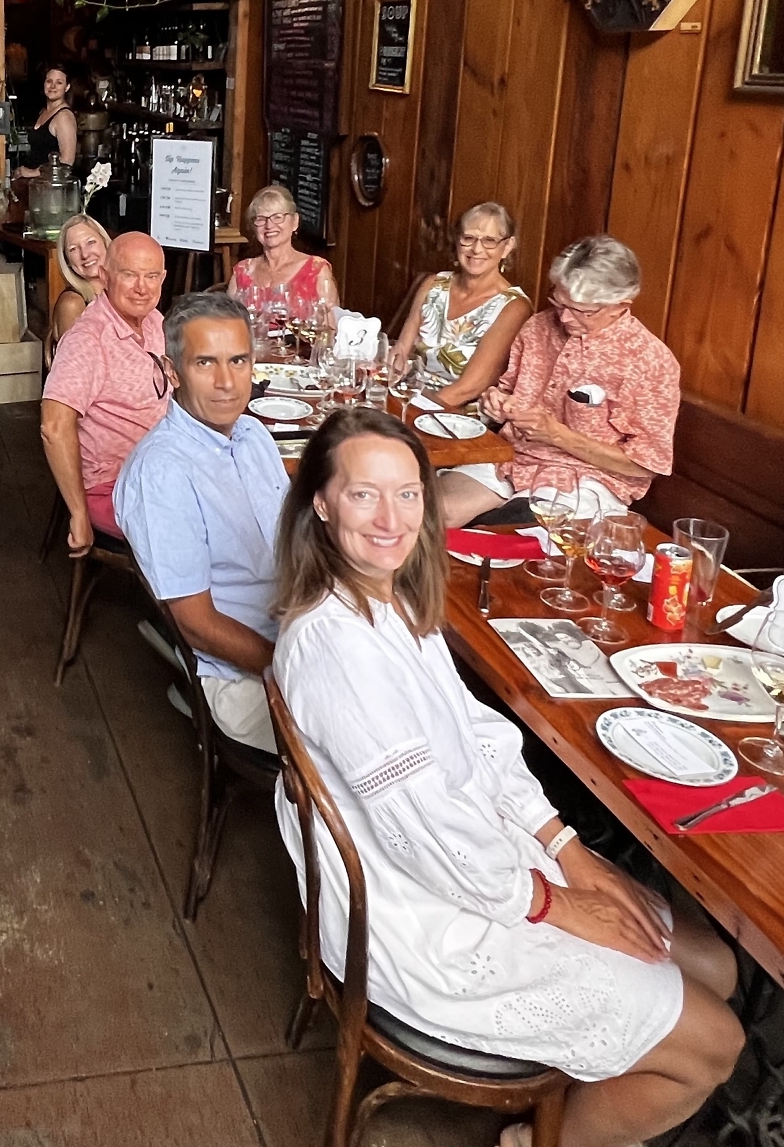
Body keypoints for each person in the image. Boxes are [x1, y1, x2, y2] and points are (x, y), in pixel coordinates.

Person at [272, 409, 742, 1147]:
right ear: (322, 505)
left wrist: (568, 851)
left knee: (715, 965)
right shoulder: (335, 647)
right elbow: (426, 830)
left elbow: (480, 738)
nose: (391, 519)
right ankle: (533, 1141)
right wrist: (554, 903)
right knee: (716, 1044)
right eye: (364, 495)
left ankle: (598, 1077)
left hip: (478, 860)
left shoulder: (391, 600)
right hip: (419, 916)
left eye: (408, 494)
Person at [115, 292, 288, 751]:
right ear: (172, 372)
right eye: (205, 363)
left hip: (299, 632)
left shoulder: (253, 434)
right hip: (244, 675)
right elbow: (197, 624)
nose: (227, 382)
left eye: (238, 361)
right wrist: (292, 668)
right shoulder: (163, 471)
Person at [438, 235, 678, 528]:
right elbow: (506, 391)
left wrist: (556, 434)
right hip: (511, 457)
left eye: (582, 311)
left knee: (513, 530)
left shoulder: (649, 360)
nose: (564, 318)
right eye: (560, 302)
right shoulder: (538, 327)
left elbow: (645, 464)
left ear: (619, 306)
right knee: (433, 510)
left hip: (586, 479)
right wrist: (496, 404)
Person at [42, 232, 171, 554]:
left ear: (163, 278)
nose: (142, 287)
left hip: (163, 471)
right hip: (113, 486)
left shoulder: (154, 320)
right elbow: (54, 427)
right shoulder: (88, 339)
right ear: (105, 276)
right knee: (201, 530)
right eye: (129, 275)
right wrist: (79, 514)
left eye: (151, 276)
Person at [386, 201, 533, 409]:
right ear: (457, 240)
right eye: (468, 238)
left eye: (490, 241)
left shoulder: (514, 307)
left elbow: (469, 388)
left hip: (456, 412)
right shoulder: (433, 284)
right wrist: (390, 400)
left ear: (507, 246)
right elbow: (400, 354)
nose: (476, 249)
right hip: (408, 396)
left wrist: (415, 413)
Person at [229, 184, 338, 313]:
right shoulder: (242, 272)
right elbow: (227, 321)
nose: (269, 225)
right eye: (261, 219)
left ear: (295, 222)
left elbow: (331, 323)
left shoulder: (317, 271)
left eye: (278, 217)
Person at [47, 212, 108, 365]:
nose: (85, 254)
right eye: (73, 249)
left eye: (90, 242)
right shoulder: (72, 303)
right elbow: (76, 367)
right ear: (67, 261)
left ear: (105, 244)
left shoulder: (120, 294)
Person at [16, 65, 79, 178]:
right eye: (49, 81)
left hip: (52, 185)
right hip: (38, 183)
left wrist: (32, 173)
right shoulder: (43, 111)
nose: (53, 86)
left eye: (59, 82)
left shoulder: (63, 116)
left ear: (67, 87)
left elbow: (67, 162)